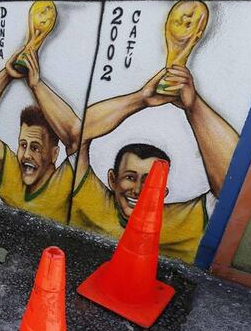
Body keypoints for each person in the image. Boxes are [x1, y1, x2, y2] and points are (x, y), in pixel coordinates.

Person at [70, 66, 239, 261]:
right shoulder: (92, 197)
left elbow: (232, 182)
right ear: (112, 180)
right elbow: (77, 133)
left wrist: (194, 107)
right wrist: (141, 99)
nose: (137, 189)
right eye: (130, 177)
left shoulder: (186, 218)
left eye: (149, 182)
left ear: (163, 191)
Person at [0, 49, 81, 222]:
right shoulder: (10, 170)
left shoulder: (63, 182)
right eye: (23, 145)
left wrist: (37, 85)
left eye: (35, 148)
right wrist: (6, 74)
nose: (26, 155)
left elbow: (77, 136)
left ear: (54, 154)